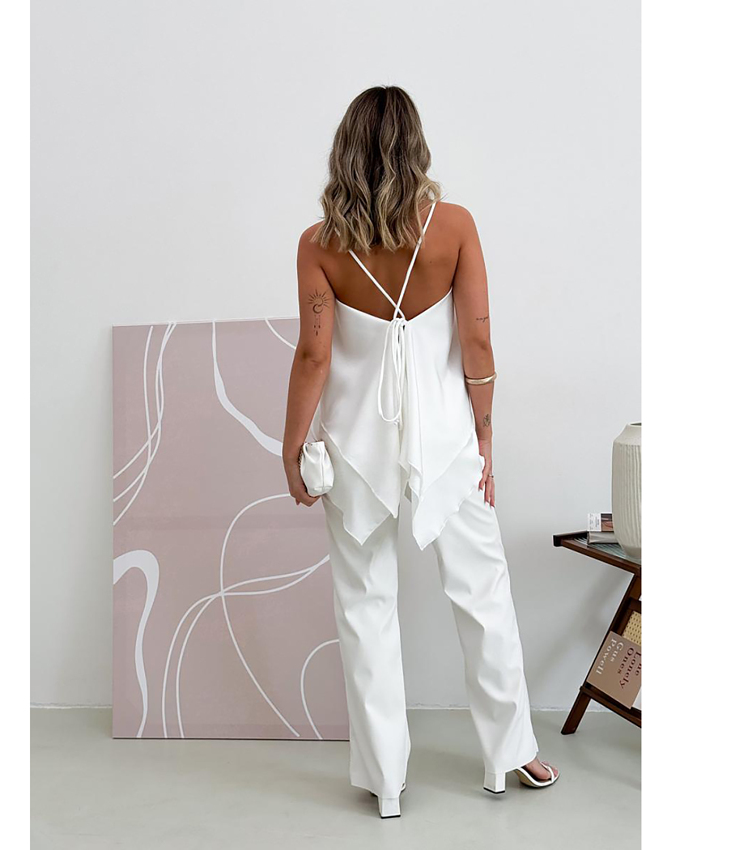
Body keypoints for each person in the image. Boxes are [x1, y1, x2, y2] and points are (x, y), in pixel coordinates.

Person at [281, 86, 559, 819]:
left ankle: (386, 781)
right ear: (416, 146)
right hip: (445, 440)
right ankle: (510, 754)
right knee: (482, 590)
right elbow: (478, 343)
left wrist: (292, 446)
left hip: (354, 448)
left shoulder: (319, 245)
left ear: (345, 150)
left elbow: (313, 355)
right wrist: (485, 433)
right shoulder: (454, 227)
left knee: (365, 605)